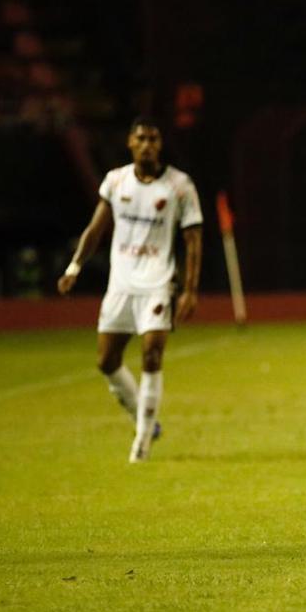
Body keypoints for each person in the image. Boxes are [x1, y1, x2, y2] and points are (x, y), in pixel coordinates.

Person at [57, 116, 203, 462]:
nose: (148, 144)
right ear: (130, 143)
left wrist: (190, 290)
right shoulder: (116, 181)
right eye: (141, 138)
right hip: (121, 285)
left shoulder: (180, 186)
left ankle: (141, 443)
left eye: (154, 138)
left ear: (160, 144)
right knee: (106, 361)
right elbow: (95, 230)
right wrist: (74, 267)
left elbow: (193, 239)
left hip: (157, 283)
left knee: (152, 353)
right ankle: (146, 421)